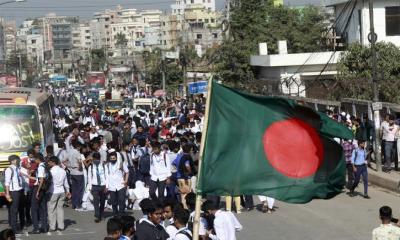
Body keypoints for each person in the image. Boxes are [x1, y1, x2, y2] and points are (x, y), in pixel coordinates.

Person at [47, 156, 71, 232]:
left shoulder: (51, 171)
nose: (48, 163)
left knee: (51, 209)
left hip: (53, 191)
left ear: (53, 162)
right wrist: (68, 191)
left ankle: (52, 226)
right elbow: (66, 182)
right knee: (60, 209)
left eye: (50, 162)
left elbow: (49, 182)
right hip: (62, 191)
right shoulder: (63, 171)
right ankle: (61, 226)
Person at [105, 150, 129, 216]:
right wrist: (107, 186)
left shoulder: (121, 163)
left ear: (116, 157)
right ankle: (115, 213)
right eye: (111, 158)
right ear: (109, 158)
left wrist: (126, 181)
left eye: (114, 158)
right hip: (112, 186)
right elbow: (107, 176)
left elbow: (127, 172)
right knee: (113, 201)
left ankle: (121, 213)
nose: (112, 159)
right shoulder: (107, 165)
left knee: (121, 199)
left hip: (120, 185)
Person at [4, 155, 23, 233]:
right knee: (14, 210)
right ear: (12, 161)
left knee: (17, 209)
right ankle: (14, 228)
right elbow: (7, 183)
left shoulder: (17, 169)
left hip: (19, 191)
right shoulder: (9, 169)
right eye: (16, 160)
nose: (18, 161)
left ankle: (15, 226)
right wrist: (7, 194)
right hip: (13, 192)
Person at [88, 152, 108, 222]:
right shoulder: (91, 167)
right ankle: (97, 215)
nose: (96, 160)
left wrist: (107, 186)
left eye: (98, 159)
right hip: (95, 186)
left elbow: (106, 176)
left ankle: (101, 213)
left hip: (103, 185)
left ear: (100, 159)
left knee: (102, 201)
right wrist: (90, 187)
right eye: (95, 159)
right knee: (96, 201)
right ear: (93, 159)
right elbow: (89, 178)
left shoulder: (103, 166)